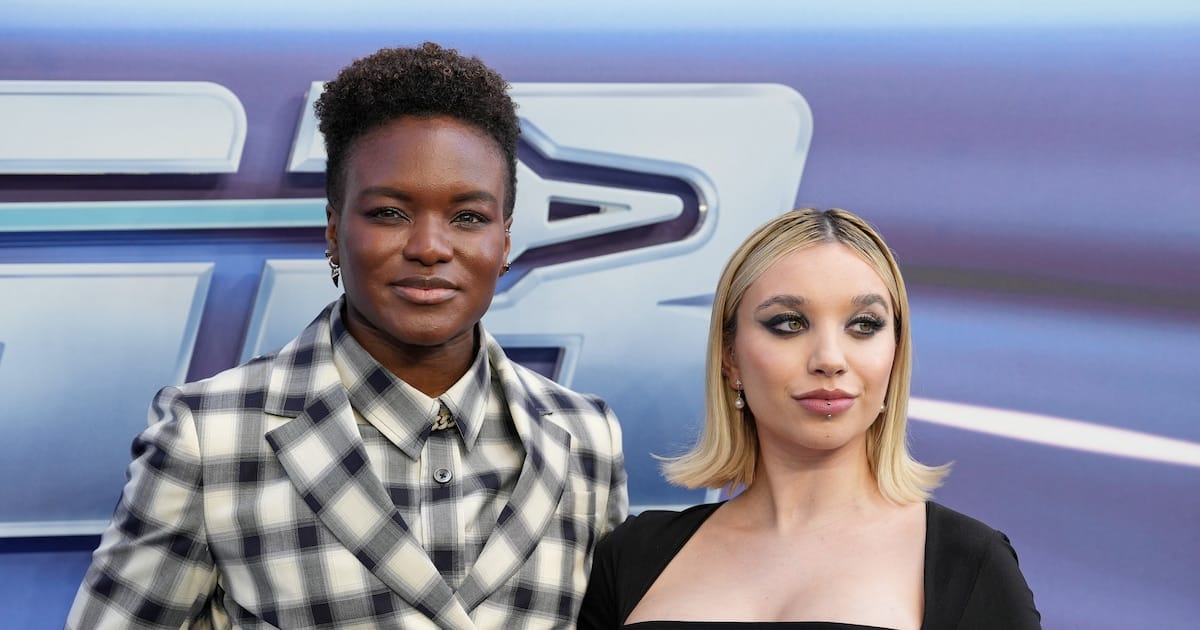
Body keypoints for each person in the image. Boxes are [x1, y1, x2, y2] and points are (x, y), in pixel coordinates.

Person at [68, 42, 627, 630]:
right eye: (389, 213)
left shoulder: (585, 437)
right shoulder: (210, 436)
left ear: (505, 240)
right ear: (334, 231)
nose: (430, 247)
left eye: (468, 217)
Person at [578, 208, 1038, 629]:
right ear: (730, 358)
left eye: (864, 325)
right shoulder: (633, 554)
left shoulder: (968, 561)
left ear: (895, 356)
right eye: (789, 323)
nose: (829, 359)